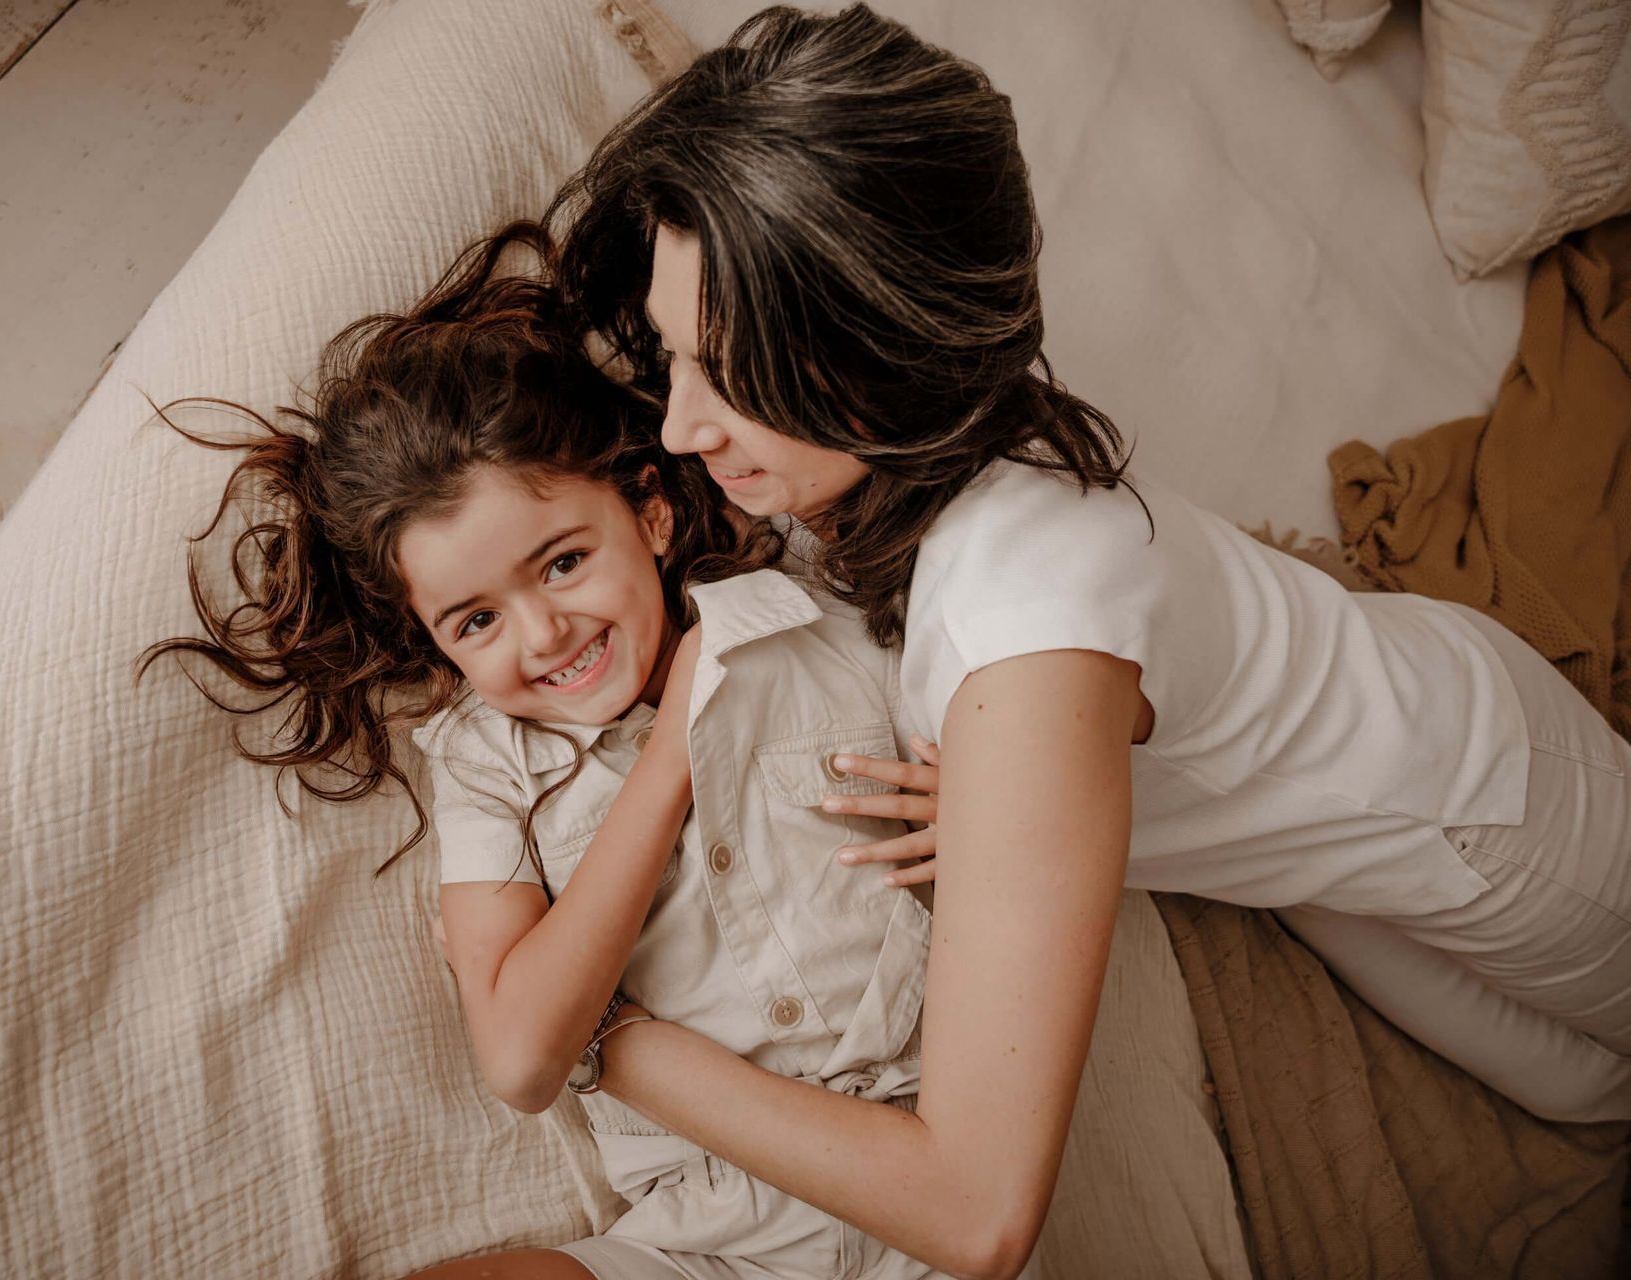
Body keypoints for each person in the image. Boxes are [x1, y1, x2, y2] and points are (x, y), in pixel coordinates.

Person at [534, 4, 1631, 1277]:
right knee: (1581, 1093)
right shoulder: (899, 457)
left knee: (1600, 1086)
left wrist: (609, 1038)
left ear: (885, 357)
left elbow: (977, 1209)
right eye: (678, 357)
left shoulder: (1030, 621)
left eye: (728, 373)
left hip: (1491, 820)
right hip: (1333, 820)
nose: (680, 427)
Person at [139, 223, 977, 1280]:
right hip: (703, 1239)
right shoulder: (485, 768)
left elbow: (1055, 746)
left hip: (921, 1171)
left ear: (652, 510)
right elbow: (524, 1058)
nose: (543, 634)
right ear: (435, 642)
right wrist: (671, 760)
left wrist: (984, 814)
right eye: (476, 620)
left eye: (565, 561)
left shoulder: (813, 619)